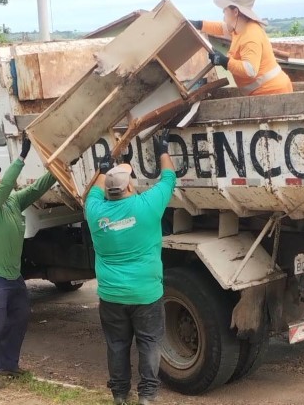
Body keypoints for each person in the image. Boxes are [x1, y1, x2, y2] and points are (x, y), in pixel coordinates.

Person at [84, 130, 176, 405]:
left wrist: (102, 169)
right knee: (149, 343)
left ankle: (120, 395)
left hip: (112, 297)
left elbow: (94, 192)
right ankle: (147, 395)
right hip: (146, 294)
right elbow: (169, 178)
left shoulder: (94, 212)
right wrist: (162, 150)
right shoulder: (147, 206)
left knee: (117, 345)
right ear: (128, 187)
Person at [0, 136, 56, 390]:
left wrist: (55, 169)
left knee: (19, 319)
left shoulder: (11, 202)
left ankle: (9, 365)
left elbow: (34, 190)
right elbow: (7, 184)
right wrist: (21, 158)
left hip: (12, 277)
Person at [190, 0, 293, 96]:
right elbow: (220, 28)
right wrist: (197, 24)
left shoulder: (251, 35)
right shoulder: (239, 28)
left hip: (272, 92)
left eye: (225, 8)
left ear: (235, 12)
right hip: (262, 91)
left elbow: (250, 70)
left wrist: (224, 61)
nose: (223, 11)